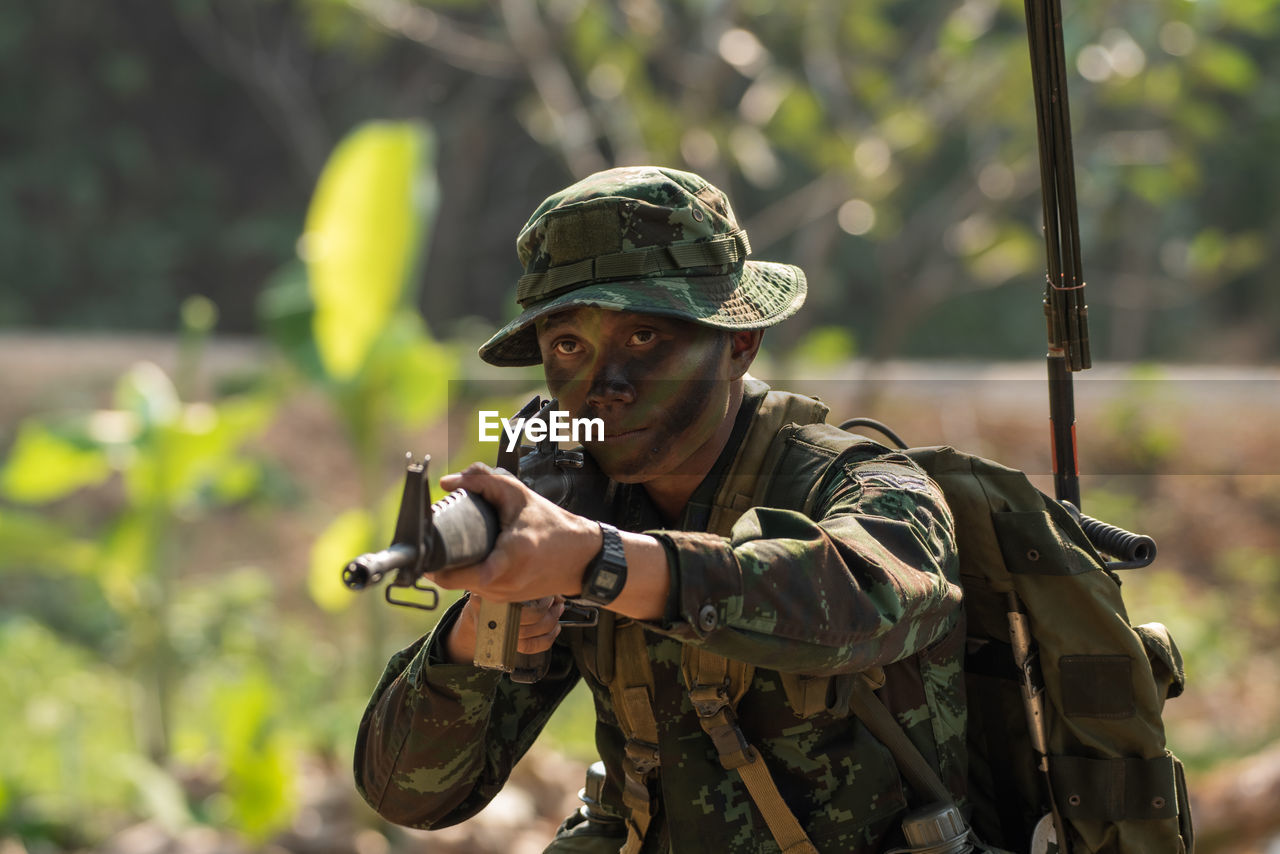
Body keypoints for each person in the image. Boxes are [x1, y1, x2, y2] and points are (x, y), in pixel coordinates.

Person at [353, 166, 966, 853]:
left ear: (739, 343)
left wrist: (599, 562)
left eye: (643, 339)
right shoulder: (580, 493)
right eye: (568, 347)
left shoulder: (861, 482)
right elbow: (408, 793)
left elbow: (868, 596)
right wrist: (484, 626)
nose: (604, 387)